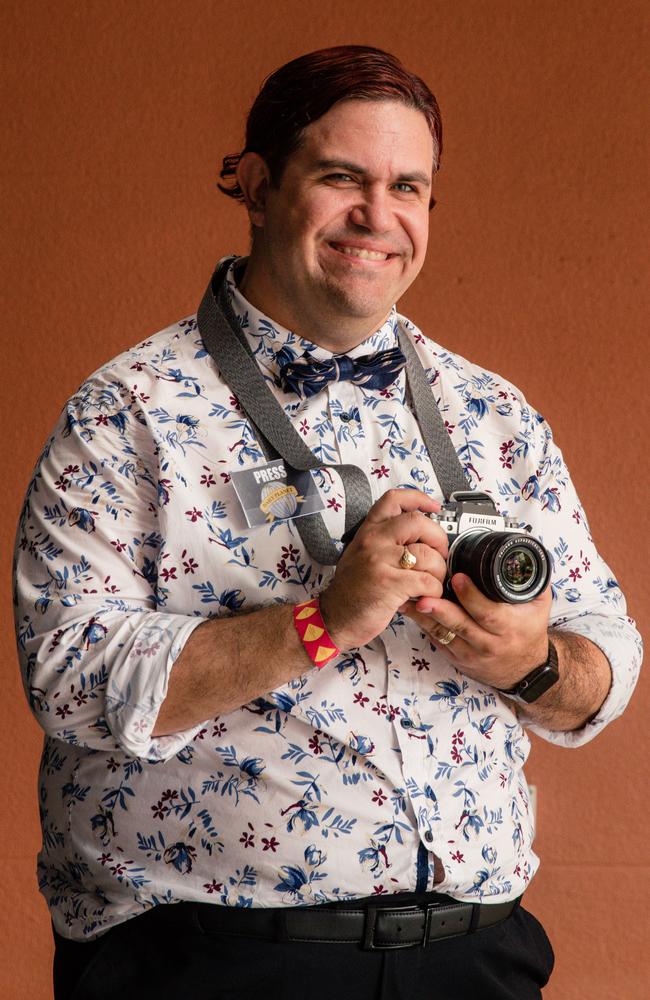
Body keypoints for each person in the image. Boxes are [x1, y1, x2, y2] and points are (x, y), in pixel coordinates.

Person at [14, 46, 641, 1000]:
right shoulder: (127, 411)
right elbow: (67, 678)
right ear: (260, 188)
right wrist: (321, 623)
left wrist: (531, 660)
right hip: (211, 963)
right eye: (341, 177)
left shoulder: (494, 414)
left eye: (408, 187)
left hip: (473, 957)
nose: (378, 217)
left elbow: (605, 651)